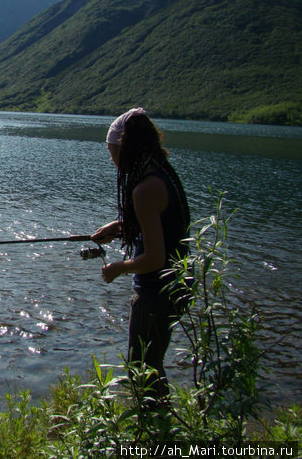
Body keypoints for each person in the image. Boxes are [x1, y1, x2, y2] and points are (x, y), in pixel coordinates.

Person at [92, 107, 190, 401]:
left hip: (156, 293)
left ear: (127, 148)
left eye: (112, 153)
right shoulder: (161, 175)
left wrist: (117, 269)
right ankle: (158, 424)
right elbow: (162, 227)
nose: (112, 160)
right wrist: (119, 226)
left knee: (143, 367)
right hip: (177, 286)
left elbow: (155, 258)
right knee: (152, 365)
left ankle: (154, 432)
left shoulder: (144, 190)